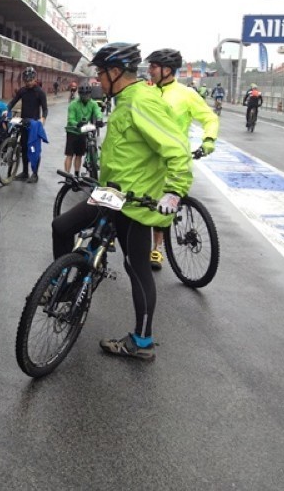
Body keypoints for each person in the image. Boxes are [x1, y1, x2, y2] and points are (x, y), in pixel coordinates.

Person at [51, 42, 192, 361]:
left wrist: (174, 192)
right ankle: (62, 285)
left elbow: (177, 149)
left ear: (115, 72)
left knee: (136, 266)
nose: (97, 79)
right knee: (62, 226)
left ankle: (142, 343)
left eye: (100, 73)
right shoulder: (123, 99)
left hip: (134, 202)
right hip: (110, 194)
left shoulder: (142, 101)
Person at [146, 48, 219, 270]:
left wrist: (208, 140)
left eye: (153, 67)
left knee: (163, 206)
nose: (149, 70)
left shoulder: (186, 94)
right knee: (140, 202)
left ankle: (156, 249)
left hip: (174, 160)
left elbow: (209, 117)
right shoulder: (146, 92)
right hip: (147, 159)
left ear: (167, 70)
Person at [4, 66, 48, 183]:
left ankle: (35, 174)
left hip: (34, 125)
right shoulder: (22, 91)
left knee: (34, 149)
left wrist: (43, 118)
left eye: (30, 80)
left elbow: (45, 109)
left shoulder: (40, 92)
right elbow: (13, 101)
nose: (28, 83)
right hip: (24, 123)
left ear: (34, 79)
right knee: (23, 148)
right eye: (26, 81)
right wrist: (7, 109)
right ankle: (25, 172)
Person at [63, 86, 103, 177]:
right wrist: (77, 123)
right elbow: (71, 118)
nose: (85, 97)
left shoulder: (93, 103)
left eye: (87, 95)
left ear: (90, 94)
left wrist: (99, 119)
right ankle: (67, 176)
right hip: (72, 131)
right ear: (80, 95)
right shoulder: (73, 104)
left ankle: (77, 174)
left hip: (83, 131)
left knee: (79, 155)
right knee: (70, 155)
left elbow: (97, 111)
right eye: (83, 95)